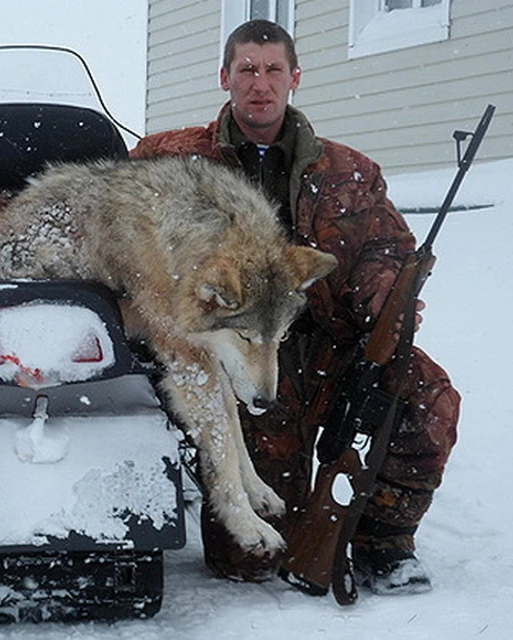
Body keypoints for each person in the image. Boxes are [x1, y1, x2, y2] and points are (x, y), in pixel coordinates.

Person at [130, 20, 460, 595]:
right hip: (236, 352)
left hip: (328, 342)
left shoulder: (349, 173)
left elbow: (386, 248)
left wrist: (386, 297)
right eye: (248, 69)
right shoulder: (171, 159)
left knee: (428, 397)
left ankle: (384, 543)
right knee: (248, 558)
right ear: (225, 78)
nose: (261, 84)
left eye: (273, 69)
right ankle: (295, 520)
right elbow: (126, 235)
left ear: (295, 78)